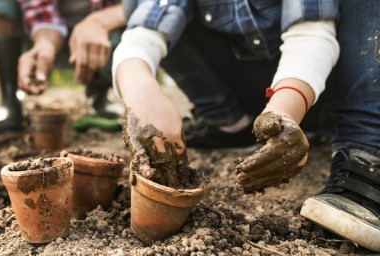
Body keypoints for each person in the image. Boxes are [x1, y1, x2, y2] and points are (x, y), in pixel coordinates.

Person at [114, 0, 379, 251]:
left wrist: (283, 111)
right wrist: (140, 89)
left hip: (327, 86)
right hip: (252, 90)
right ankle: (231, 123)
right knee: (135, 5)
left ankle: (364, 150)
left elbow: (312, 34)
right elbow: (146, 30)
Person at [0, 0, 126, 132]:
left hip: (110, 36)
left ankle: (99, 92)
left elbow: (144, 6)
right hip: (46, 35)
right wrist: (45, 45)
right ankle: (9, 98)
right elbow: (41, 12)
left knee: (137, 30)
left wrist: (98, 23)